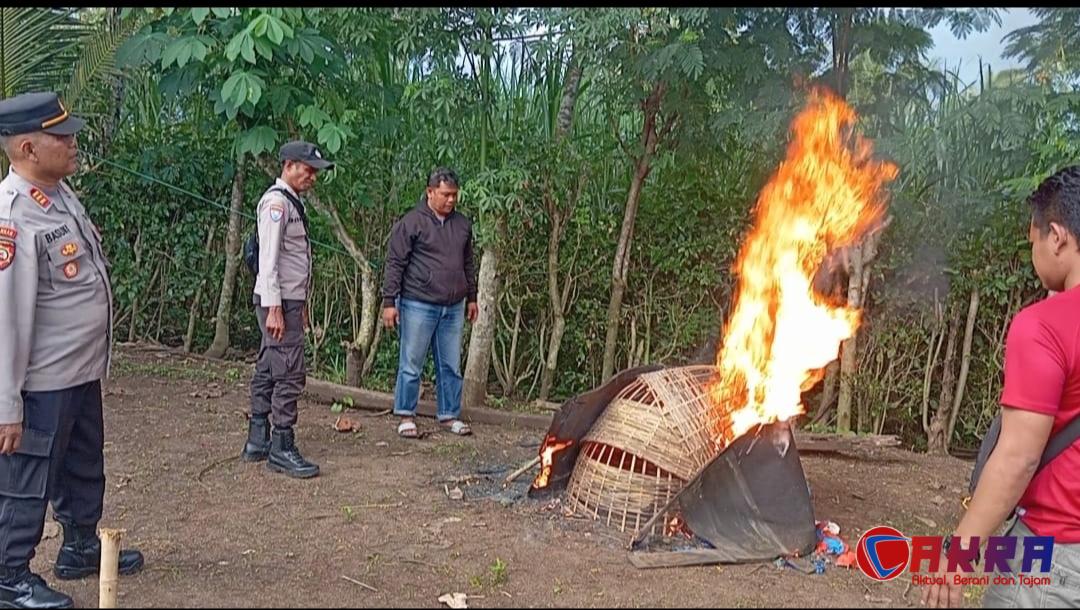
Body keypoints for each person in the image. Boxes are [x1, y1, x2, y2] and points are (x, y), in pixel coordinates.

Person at [0, 91, 144, 609]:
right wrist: (6, 406)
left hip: (79, 370)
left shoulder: (58, 195)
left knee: (82, 462)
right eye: (61, 137)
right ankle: (9, 575)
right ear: (28, 149)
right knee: (27, 477)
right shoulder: (13, 215)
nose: (73, 142)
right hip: (42, 380)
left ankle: (80, 544)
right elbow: (7, 318)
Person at [921, 165, 1080, 608]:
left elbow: (1018, 457)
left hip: (1054, 561)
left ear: (1056, 237)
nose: (1034, 255)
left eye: (1033, 243)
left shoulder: (1043, 327)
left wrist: (959, 552)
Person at [241, 140, 333, 479]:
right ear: (289, 165)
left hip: (288, 301)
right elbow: (269, 260)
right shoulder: (276, 204)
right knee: (289, 371)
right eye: (308, 170)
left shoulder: (292, 202)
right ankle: (281, 444)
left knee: (270, 365)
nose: (313, 177)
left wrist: (299, 304)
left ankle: (258, 438)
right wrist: (275, 308)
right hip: (277, 301)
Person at [381, 167, 478, 438]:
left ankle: (449, 415)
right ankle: (405, 414)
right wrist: (389, 301)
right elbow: (395, 263)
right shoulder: (412, 222)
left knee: (450, 365)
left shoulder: (462, 225)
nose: (451, 200)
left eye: (454, 195)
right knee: (411, 362)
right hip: (418, 303)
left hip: (454, 305)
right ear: (430, 192)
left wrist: (472, 297)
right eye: (446, 194)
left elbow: (468, 263)